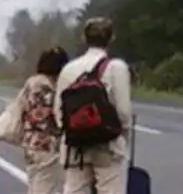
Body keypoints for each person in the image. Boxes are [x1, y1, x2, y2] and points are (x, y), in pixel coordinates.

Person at [54, 17, 132, 194]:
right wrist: (121, 137)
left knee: (75, 189)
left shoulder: (69, 69)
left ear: (84, 38)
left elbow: (59, 111)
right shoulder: (116, 67)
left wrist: (74, 131)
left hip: (76, 145)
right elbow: (123, 113)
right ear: (112, 38)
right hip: (108, 145)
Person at [20, 46, 70, 194]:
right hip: (46, 142)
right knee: (45, 185)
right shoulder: (49, 87)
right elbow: (55, 115)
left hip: (30, 140)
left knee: (34, 181)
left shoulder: (31, 83)